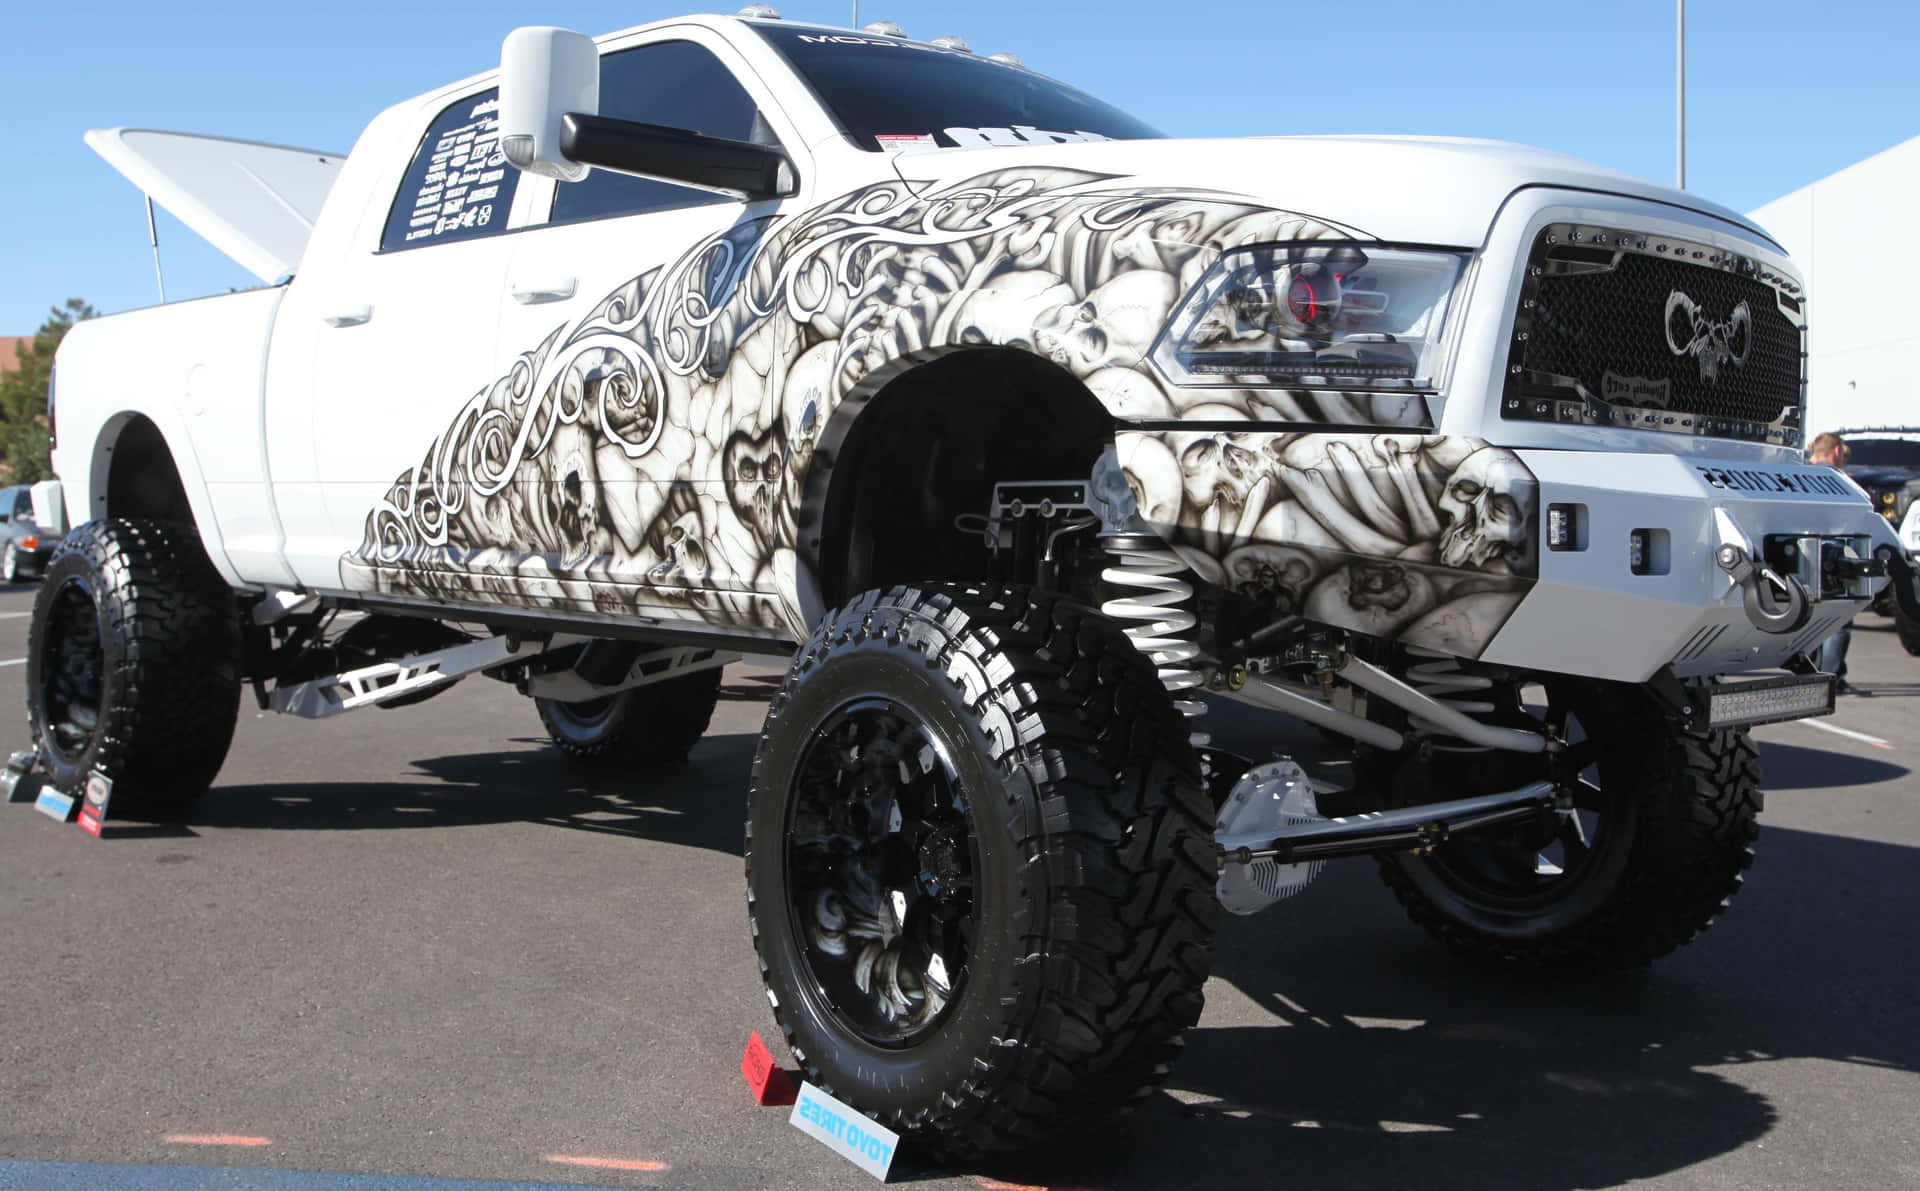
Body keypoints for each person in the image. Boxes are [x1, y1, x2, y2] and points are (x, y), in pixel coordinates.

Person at [1807, 432, 1854, 691]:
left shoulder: (1799, 474)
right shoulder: (1837, 480)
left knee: (1812, 620)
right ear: (1836, 451)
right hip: (1832, 556)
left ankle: (1811, 675)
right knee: (1839, 621)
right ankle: (1832, 677)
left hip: (1805, 556)